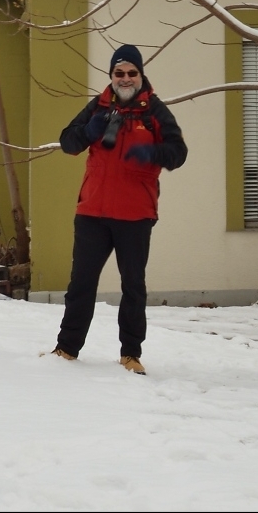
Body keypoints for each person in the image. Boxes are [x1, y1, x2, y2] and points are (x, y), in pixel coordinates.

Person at [52, 44, 188, 374]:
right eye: (119, 73)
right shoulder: (98, 106)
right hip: (93, 212)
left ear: (140, 75)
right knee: (80, 284)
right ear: (111, 76)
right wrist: (89, 130)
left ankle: (131, 354)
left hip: (135, 214)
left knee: (133, 287)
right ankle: (67, 348)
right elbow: (68, 142)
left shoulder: (155, 112)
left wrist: (152, 152)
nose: (125, 78)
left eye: (131, 73)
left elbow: (178, 152)